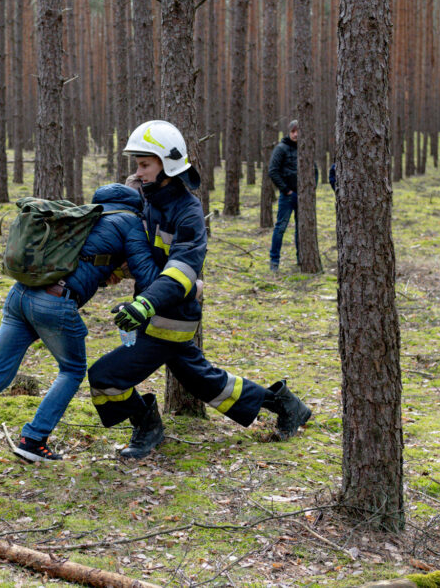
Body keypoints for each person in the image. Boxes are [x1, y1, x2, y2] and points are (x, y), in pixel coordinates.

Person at [87, 120, 312, 460]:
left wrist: (145, 305)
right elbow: (142, 253)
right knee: (206, 382)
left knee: (104, 377)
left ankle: (148, 428)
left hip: (171, 318)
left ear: (168, 164)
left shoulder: (188, 211)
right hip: (157, 312)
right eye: (138, 164)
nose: (139, 172)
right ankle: (284, 403)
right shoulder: (150, 202)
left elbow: (182, 271)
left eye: (145, 164)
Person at [0, 183, 159, 465]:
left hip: (19, 295)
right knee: (72, 370)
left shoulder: (88, 217)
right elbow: (146, 272)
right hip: (54, 302)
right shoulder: (129, 221)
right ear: (134, 205)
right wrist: (174, 284)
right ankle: (34, 440)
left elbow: (86, 260)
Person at [268, 120, 300, 271]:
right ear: (289, 132)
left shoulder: (304, 148)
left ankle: (302, 259)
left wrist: (310, 190)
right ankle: (274, 261)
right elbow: (272, 171)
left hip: (303, 197)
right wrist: (286, 190)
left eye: (298, 131)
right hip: (287, 196)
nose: (295, 134)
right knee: (280, 228)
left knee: (302, 229)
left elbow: (314, 170)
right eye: (293, 131)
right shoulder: (281, 148)